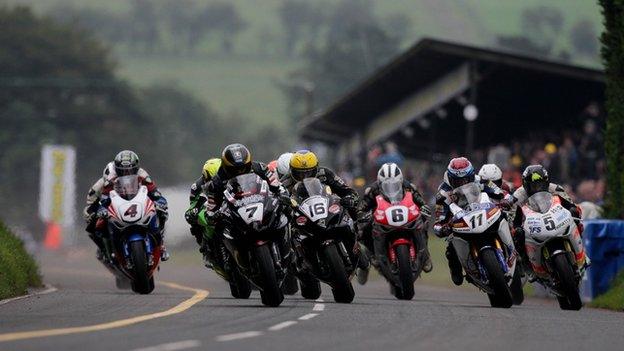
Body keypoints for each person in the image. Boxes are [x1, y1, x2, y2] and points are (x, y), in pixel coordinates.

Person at [433, 157, 511, 285]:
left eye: (465, 179)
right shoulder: (442, 193)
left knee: (504, 217)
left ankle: (515, 251)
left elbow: (499, 191)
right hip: (460, 218)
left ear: (471, 175)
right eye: (457, 181)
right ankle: (456, 269)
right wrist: (442, 228)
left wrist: (506, 198)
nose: (462, 183)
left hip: (482, 211)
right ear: (450, 178)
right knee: (451, 242)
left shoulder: (481, 180)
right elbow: (439, 220)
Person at [357, 163, 433, 284]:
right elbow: (361, 208)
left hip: (404, 214)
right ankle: (370, 256)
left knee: (423, 222)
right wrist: (363, 215)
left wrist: (424, 207)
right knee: (363, 230)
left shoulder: (409, 187)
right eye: (386, 184)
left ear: (401, 180)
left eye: (395, 184)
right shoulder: (372, 190)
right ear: (380, 182)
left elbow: (421, 201)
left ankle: (426, 254)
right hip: (380, 217)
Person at [510, 165, 585, 280]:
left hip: (553, 216)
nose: (537, 188)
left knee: (575, 214)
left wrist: (573, 210)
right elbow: (513, 218)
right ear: (525, 185)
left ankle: (580, 249)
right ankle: (527, 265)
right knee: (517, 235)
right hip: (532, 221)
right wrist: (516, 228)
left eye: (540, 184)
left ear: (546, 182)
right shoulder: (518, 196)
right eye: (533, 185)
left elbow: (571, 204)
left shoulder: (555, 188)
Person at [94, 150, 170, 262]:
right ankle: (108, 251)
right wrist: (102, 209)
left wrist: (160, 201)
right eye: (122, 171)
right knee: (99, 225)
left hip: (139, 204)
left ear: (136, 167)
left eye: (130, 170)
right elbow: (104, 199)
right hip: (120, 206)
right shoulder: (110, 179)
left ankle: (161, 245)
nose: (126, 173)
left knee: (162, 212)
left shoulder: (142, 175)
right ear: (117, 169)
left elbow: (154, 192)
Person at [184, 158, 221, 251]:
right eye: (214, 178)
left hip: (227, 205)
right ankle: (205, 246)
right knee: (192, 219)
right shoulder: (197, 186)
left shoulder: (230, 177)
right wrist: (193, 211)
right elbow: (193, 204)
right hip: (209, 208)